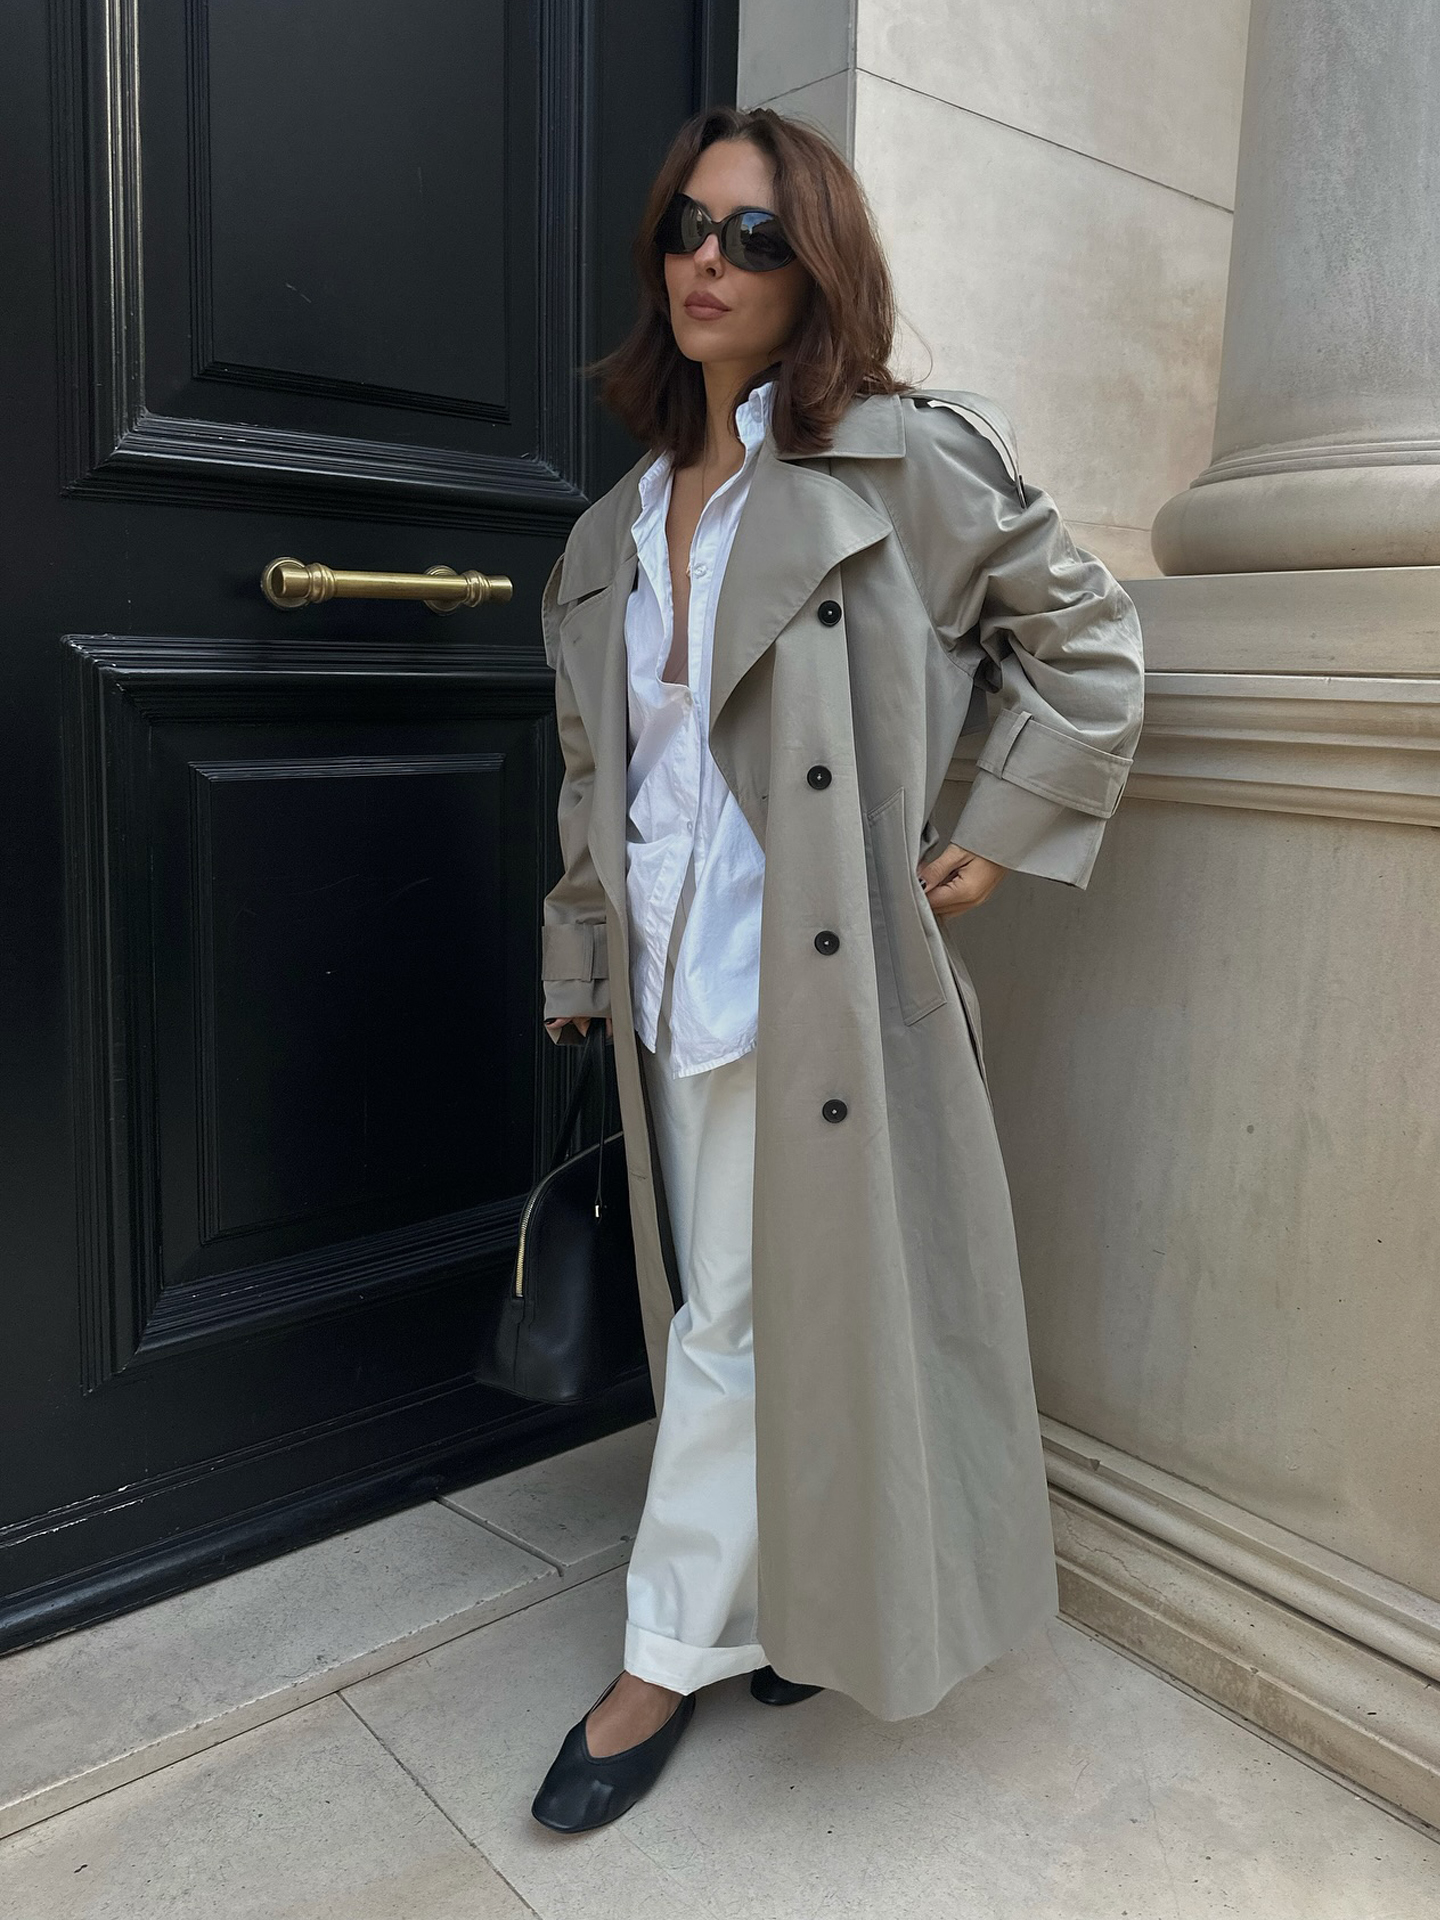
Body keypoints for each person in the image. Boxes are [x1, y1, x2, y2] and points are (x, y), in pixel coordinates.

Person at [529, 104, 1145, 1834]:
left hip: (812, 975)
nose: (708, 264)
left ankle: (662, 1654)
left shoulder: (902, 461)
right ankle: (781, 1603)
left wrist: (998, 819)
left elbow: (1085, 636)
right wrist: (583, 948)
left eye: (755, 238)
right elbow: (603, 776)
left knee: (731, 1313)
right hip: (672, 974)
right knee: (742, 1300)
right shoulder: (608, 533)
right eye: (687, 229)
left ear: (820, 272)